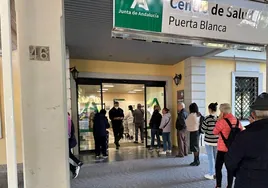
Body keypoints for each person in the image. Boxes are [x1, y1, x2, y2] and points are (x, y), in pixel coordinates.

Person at [225, 93, 268, 188]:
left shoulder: (244, 136)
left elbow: (230, 162)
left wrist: (242, 173)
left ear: (254, 114)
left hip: (248, 182)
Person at [213, 103, 243, 188]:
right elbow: (241, 131)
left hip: (222, 149)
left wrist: (219, 120)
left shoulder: (221, 121)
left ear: (222, 111)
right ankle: (229, 186)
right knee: (230, 168)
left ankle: (218, 185)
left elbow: (214, 132)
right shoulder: (237, 120)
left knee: (218, 168)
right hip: (232, 150)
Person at [201, 103, 219, 180]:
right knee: (216, 157)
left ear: (210, 109)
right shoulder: (219, 118)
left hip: (209, 141)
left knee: (210, 157)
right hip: (217, 141)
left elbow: (203, 130)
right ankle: (217, 173)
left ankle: (211, 173)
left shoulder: (207, 118)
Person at [68, 113, 83, 179]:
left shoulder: (66, 120)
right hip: (69, 139)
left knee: (66, 155)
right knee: (68, 154)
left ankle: (74, 167)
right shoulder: (69, 120)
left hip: (67, 139)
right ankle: (77, 163)